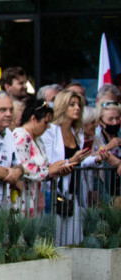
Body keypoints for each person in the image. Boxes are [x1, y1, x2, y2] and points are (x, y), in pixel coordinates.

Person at [42, 89, 95, 244]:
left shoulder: (76, 132)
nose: (77, 108)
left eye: (79, 105)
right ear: (62, 106)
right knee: (55, 241)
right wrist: (71, 159)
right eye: (72, 104)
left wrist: (96, 159)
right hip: (54, 193)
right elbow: (50, 163)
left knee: (74, 241)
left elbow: (80, 162)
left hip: (74, 193)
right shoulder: (50, 130)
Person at [14, 98, 73, 216]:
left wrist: (57, 170)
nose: (48, 127)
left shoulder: (38, 139)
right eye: (46, 123)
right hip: (20, 199)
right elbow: (22, 166)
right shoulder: (20, 135)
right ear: (33, 119)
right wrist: (49, 170)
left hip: (34, 198)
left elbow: (43, 168)